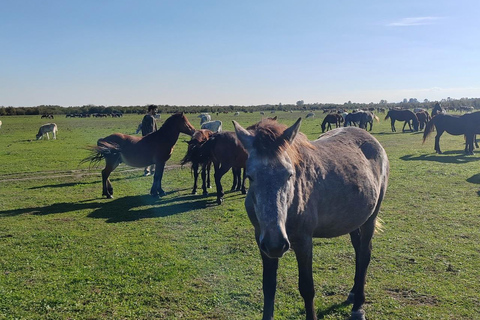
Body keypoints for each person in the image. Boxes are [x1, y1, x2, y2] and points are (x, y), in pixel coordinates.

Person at [141, 105, 158, 176]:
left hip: (146, 138)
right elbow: (151, 130)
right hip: (151, 139)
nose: (156, 111)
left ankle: (151, 169)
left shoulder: (146, 117)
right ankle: (148, 170)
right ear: (151, 110)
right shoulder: (150, 118)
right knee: (152, 154)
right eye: (155, 110)